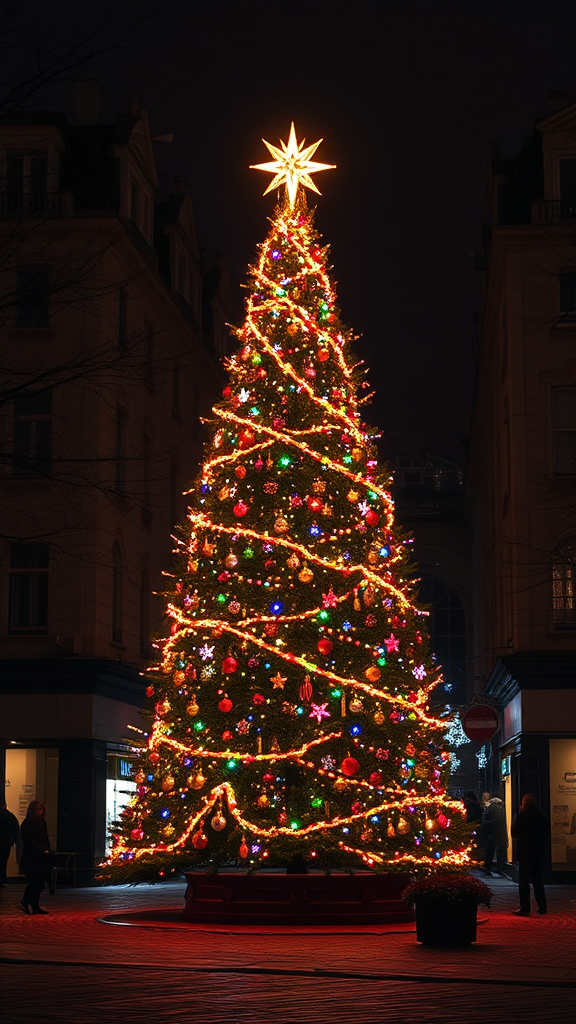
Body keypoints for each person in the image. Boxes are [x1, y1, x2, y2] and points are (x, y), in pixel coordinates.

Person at [511, 793, 548, 916]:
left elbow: (514, 833)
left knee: (524, 879)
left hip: (524, 851)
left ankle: (525, 906)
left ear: (524, 804)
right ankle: (542, 905)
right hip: (537, 851)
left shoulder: (522, 817)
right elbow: (545, 834)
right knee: (537, 878)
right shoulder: (541, 817)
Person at [19, 800, 52, 915]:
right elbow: (28, 840)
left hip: (41, 857)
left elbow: (44, 838)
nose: (39, 812)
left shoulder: (42, 822)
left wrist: (47, 850)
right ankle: (27, 902)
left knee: (38, 883)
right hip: (32, 857)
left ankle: (34, 905)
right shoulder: (27, 823)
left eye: (41, 809)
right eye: (37, 810)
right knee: (34, 882)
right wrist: (42, 848)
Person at [484, 792, 507, 876]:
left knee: (490, 850)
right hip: (497, 832)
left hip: (492, 833)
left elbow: (488, 820)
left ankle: (488, 867)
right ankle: (499, 868)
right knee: (499, 850)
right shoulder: (499, 808)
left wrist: (487, 824)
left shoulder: (491, 807)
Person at [0, 801, 20, 886]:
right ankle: (1, 880)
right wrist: (15, 840)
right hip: (5, 843)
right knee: (3, 862)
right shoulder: (9, 816)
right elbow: (15, 830)